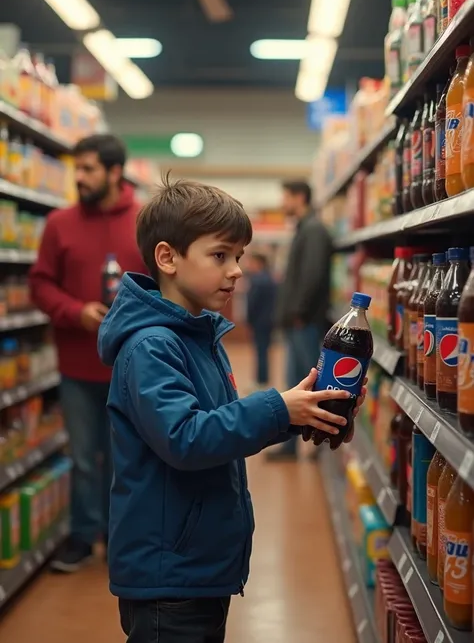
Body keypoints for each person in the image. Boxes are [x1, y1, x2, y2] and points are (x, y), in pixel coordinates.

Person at [97, 175, 365, 643]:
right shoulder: (151, 347)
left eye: (238, 256)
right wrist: (278, 410)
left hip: (199, 564)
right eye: (220, 255)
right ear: (168, 258)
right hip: (169, 575)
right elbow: (187, 438)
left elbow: (221, 423)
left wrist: (297, 409)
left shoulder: (198, 333)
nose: (237, 269)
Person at [29, 134, 146, 573]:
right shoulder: (59, 223)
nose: (78, 177)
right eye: (76, 168)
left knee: (126, 459)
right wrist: (76, 312)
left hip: (131, 367)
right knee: (82, 457)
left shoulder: (144, 220)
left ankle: (120, 539)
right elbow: (40, 284)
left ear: (115, 172)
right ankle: (82, 534)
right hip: (77, 365)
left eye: (88, 169)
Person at [269, 180, 333, 461]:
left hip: (304, 321)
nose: (283, 203)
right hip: (298, 321)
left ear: (299, 197)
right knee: (295, 382)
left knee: (311, 384)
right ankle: (292, 444)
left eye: (285, 197)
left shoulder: (314, 230)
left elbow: (313, 275)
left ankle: (319, 440)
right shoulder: (304, 228)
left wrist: (299, 312)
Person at [246, 252, 278, 389]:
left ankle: (261, 381)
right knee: (264, 351)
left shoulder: (258, 280)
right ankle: (263, 379)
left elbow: (252, 303)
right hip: (268, 321)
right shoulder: (270, 279)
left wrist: (249, 318)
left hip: (259, 321)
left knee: (260, 351)